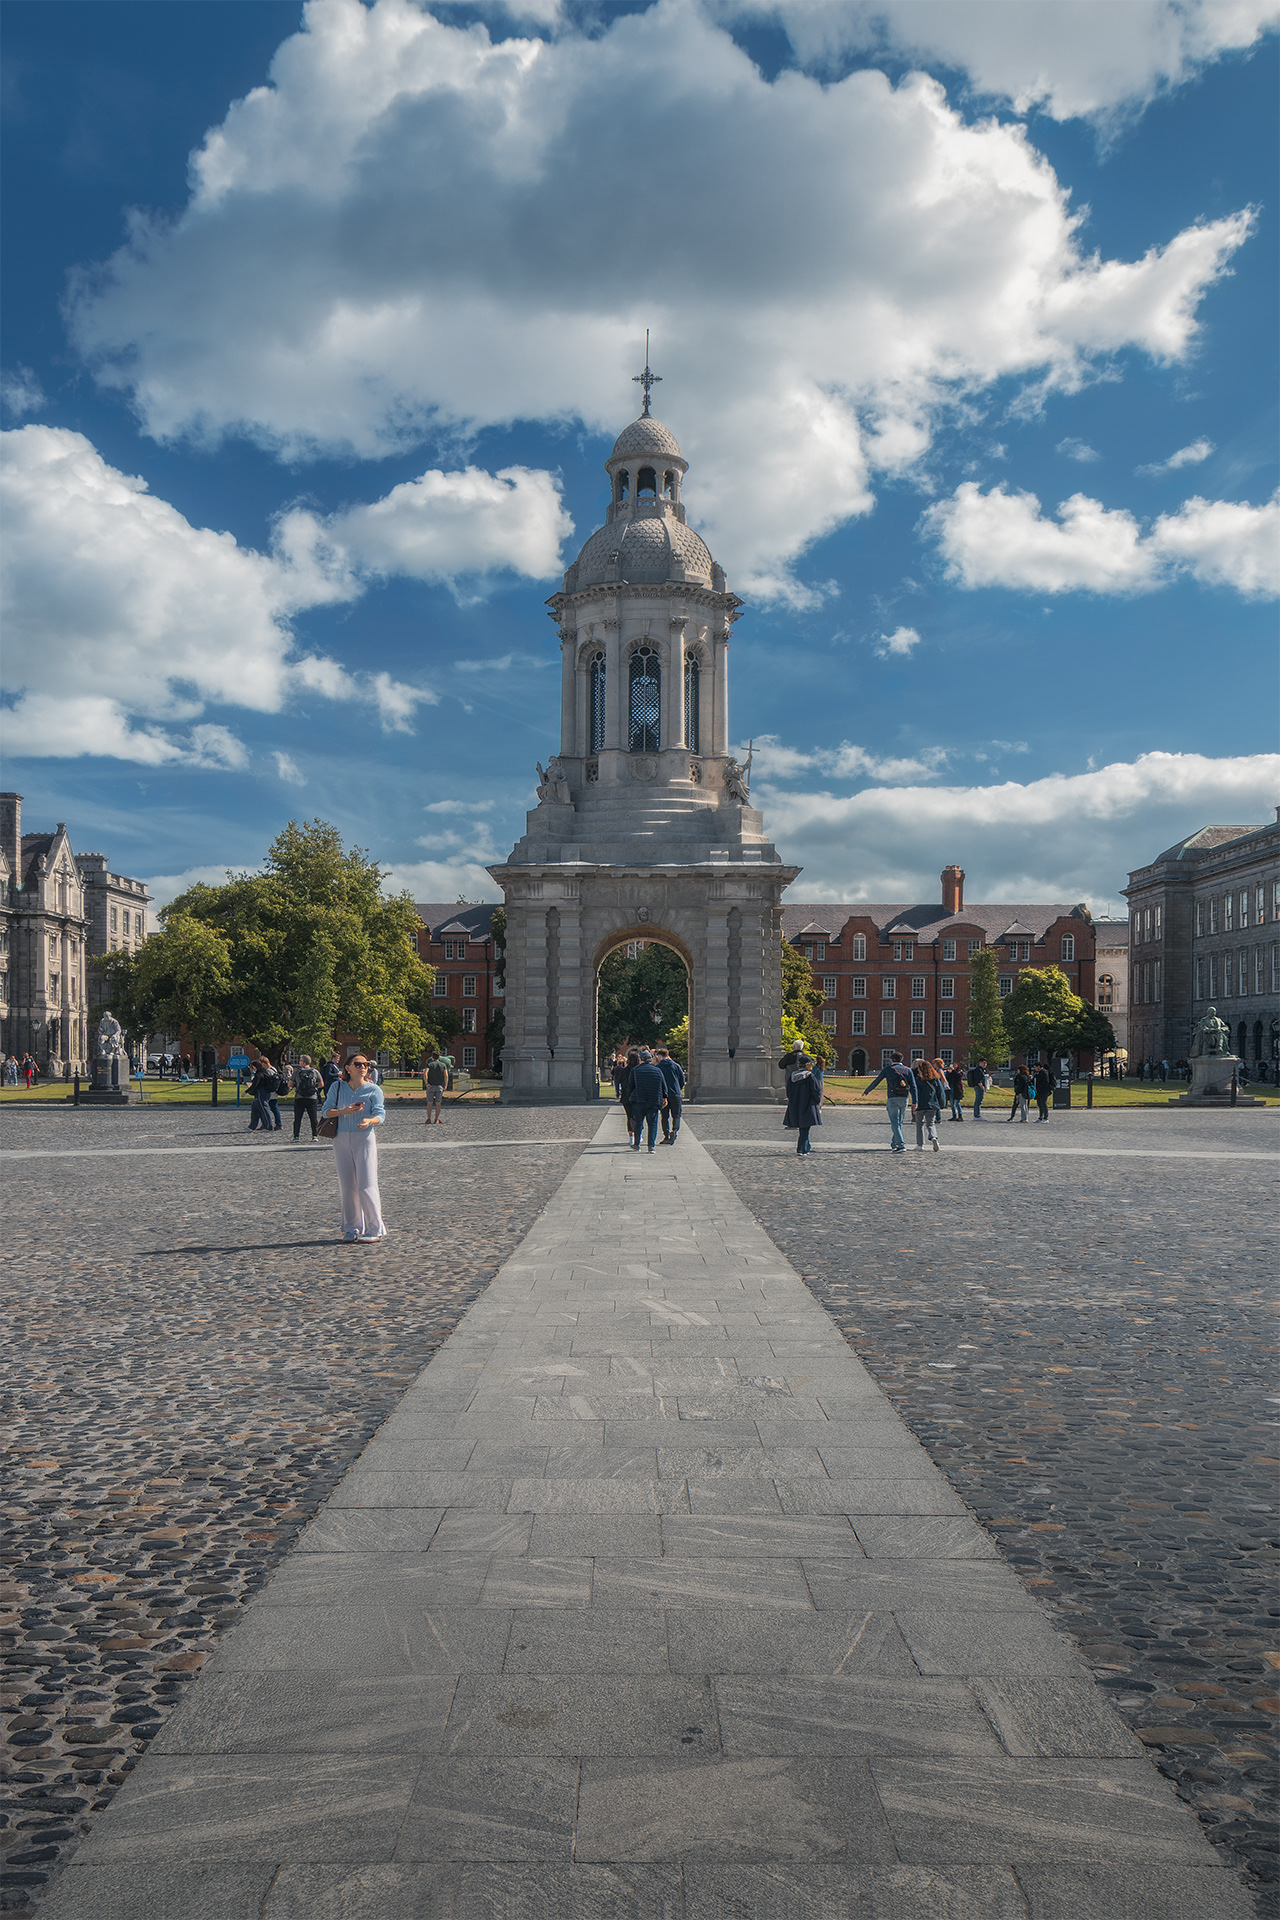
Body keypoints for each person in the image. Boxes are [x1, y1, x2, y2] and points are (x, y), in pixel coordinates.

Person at [319, 1053, 387, 1241]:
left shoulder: (374, 1090)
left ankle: (375, 1229)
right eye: (358, 1064)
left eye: (366, 1064)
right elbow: (326, 1111)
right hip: (341, 1138)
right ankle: (352, 1227)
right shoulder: (337, 1087)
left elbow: (380, 1115)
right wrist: (345, 1111)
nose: (363, 1067)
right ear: (347, 1067)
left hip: (364, 1138)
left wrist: (369, 1121)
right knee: (348, 1186)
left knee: (366, 1184)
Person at [861, 1051, 918, 1153]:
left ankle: (901, 1145)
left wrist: (867, 1090)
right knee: (899, 1122)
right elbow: (913, 1086)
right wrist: (915, 1101)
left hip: (892, 1097)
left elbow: (877, 1081)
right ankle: (894, 1143)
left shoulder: (888, 1069)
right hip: (904, 1098)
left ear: (891, 1060)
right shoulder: (908, 1070)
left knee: (895, 1122)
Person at [626, 1048, 666, 1152]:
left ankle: (637, 1144)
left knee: (638, 1123)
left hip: (639, 1100)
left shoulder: (635, 1070)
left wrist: (630, 1098)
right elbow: (663, 1086)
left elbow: (630, 1086)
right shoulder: (657, 1070)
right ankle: (651, 1146)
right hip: (653, 1100)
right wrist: (664, 1097)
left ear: (641, 1059)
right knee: (652, 1124)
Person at [783, 1050, 823, 1155]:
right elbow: (816, 1091)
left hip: (795, 1104)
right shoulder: (810, 1076)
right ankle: (801, 1149)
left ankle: (807, 1146)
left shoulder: (792, 1076)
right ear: (806, 1065)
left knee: (803, 1128)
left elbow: (788, 1091)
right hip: (808, 1104)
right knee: (805, 1128)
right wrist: (818, 1102)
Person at [913, 1059, 945, 1151]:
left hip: (920, 1104)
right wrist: (941, 1104)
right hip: (932, 1104)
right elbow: (940, 1092)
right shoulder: (935, 1079)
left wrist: (914, 1104)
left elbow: (915, 1092)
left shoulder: (917, 1080)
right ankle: (934, 1137)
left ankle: (920, 1145)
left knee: (919, 1124)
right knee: (930, 1123)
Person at [655, 1045, 685, 1144]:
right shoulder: (676, 1066)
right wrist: (678, 1089)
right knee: (676, 1115)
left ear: (660, 1056)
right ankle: (674, 1131)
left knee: (664, 1116)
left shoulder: (658, 1067)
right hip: (676, 1094)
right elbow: (682, 1080)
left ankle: (666, 1135)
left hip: (664, 1095)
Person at [292, 1054, 324, 1139]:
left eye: (300, 1060)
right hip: (312, 1097)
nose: (299, 1062)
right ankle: (315, 1135)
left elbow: (290, 1084)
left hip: (299, 1097)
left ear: (303, 1061)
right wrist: (314, 1087)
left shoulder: (297, 1072)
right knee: (313, 1118)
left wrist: (296, 1086)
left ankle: (296, 1136)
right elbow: (321, 1084)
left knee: (298, 1118)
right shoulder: (315, 1071)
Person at [248, 1056, 280, 1135]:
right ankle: (253, 1126)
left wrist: (247, 1090)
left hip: (266, 1092)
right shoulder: (273, 1069)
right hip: (270, 1092)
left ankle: (269, 1126)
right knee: (256, 1108)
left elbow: (259, 1082)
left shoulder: (266, 1071)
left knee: (265, 1109)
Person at [620, 1048, 641, 1142]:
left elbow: (619, 1081)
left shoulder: (624, 1070)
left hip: (626, 1097)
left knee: (629, 1116)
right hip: (638, 1097)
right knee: (638, 1116)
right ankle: (638, 1134)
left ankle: (631, 1136)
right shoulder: (639, 1070)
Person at [423, 1051, 447, 1124]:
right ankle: (436, 1118)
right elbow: (446, 1076)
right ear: (439, 1057)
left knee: (429, 1103)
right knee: (438, 1103)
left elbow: (425, 1074)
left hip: (431, 1086)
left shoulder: (429, 1064)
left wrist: (426, 1083)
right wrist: (445, 1085)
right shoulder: (443, 1065)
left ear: (432, 1057)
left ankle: (429, 1118)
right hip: (439, 1086)